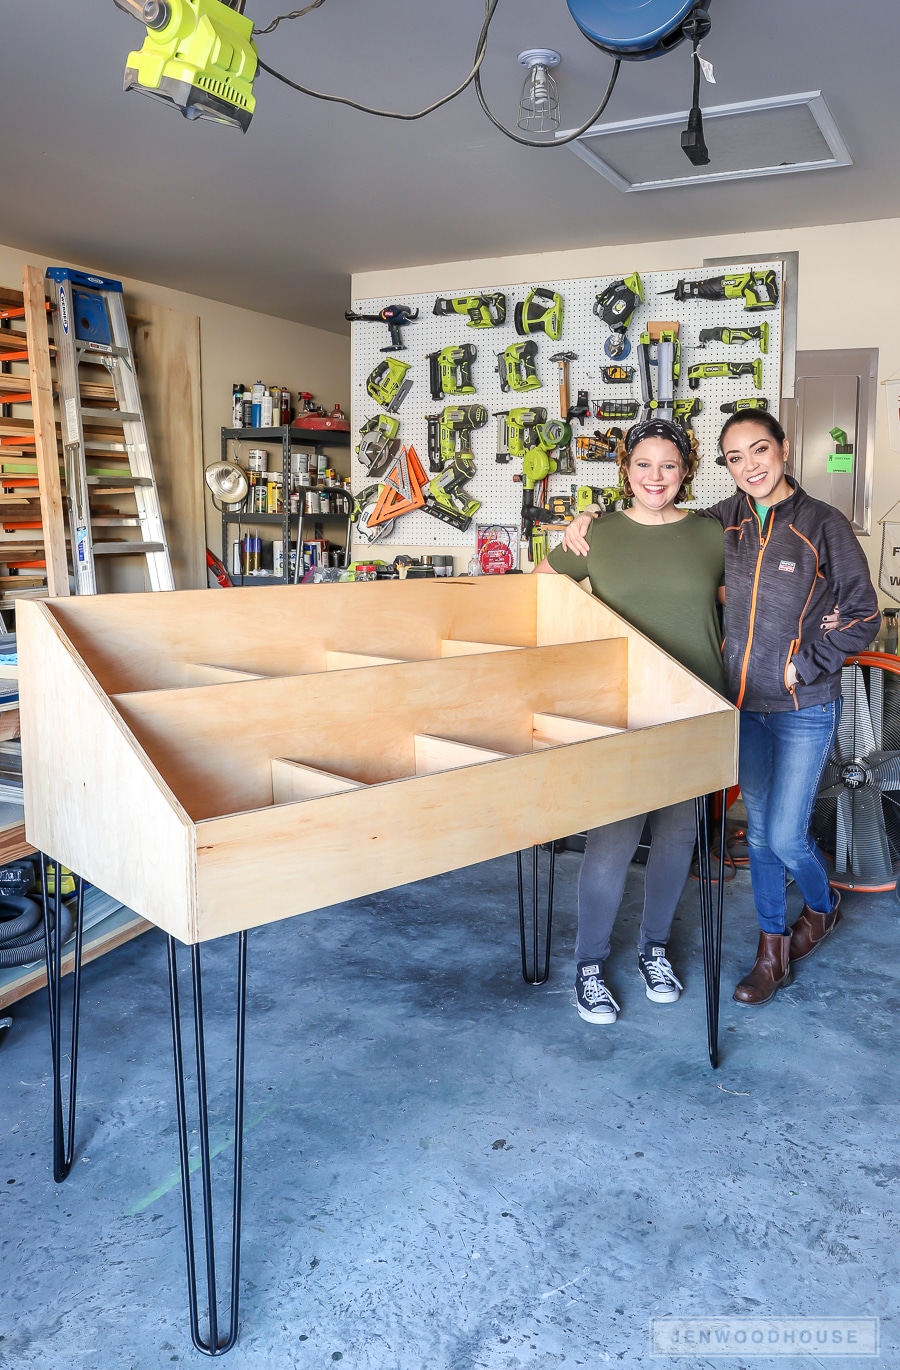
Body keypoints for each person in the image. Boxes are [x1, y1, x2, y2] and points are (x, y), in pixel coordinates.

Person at [561, 410, 880, 1006]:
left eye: (760, 451)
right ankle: (771, 949)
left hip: (791, 704)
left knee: (779, 835)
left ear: (784, 449)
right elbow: (648, 537)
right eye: (736, 458)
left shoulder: (818, 522)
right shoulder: (723, 522)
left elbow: (863, 613)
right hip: (729, 703)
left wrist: (808, 657)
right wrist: (584, 520)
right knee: (749, 837)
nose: (750, 466)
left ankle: (821, 902)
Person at [536, 417, 727, 1025]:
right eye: (643, 465)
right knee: (613, 839)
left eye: (668, 466)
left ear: (685, 473)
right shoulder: (598, 535)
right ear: (626, 470)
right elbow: (536, 593)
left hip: (697, 704)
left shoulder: (710, 534)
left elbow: (744, 600)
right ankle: (588, 965)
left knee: (675, 838)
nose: (655, 477)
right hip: (623, 709)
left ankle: (654, 950)